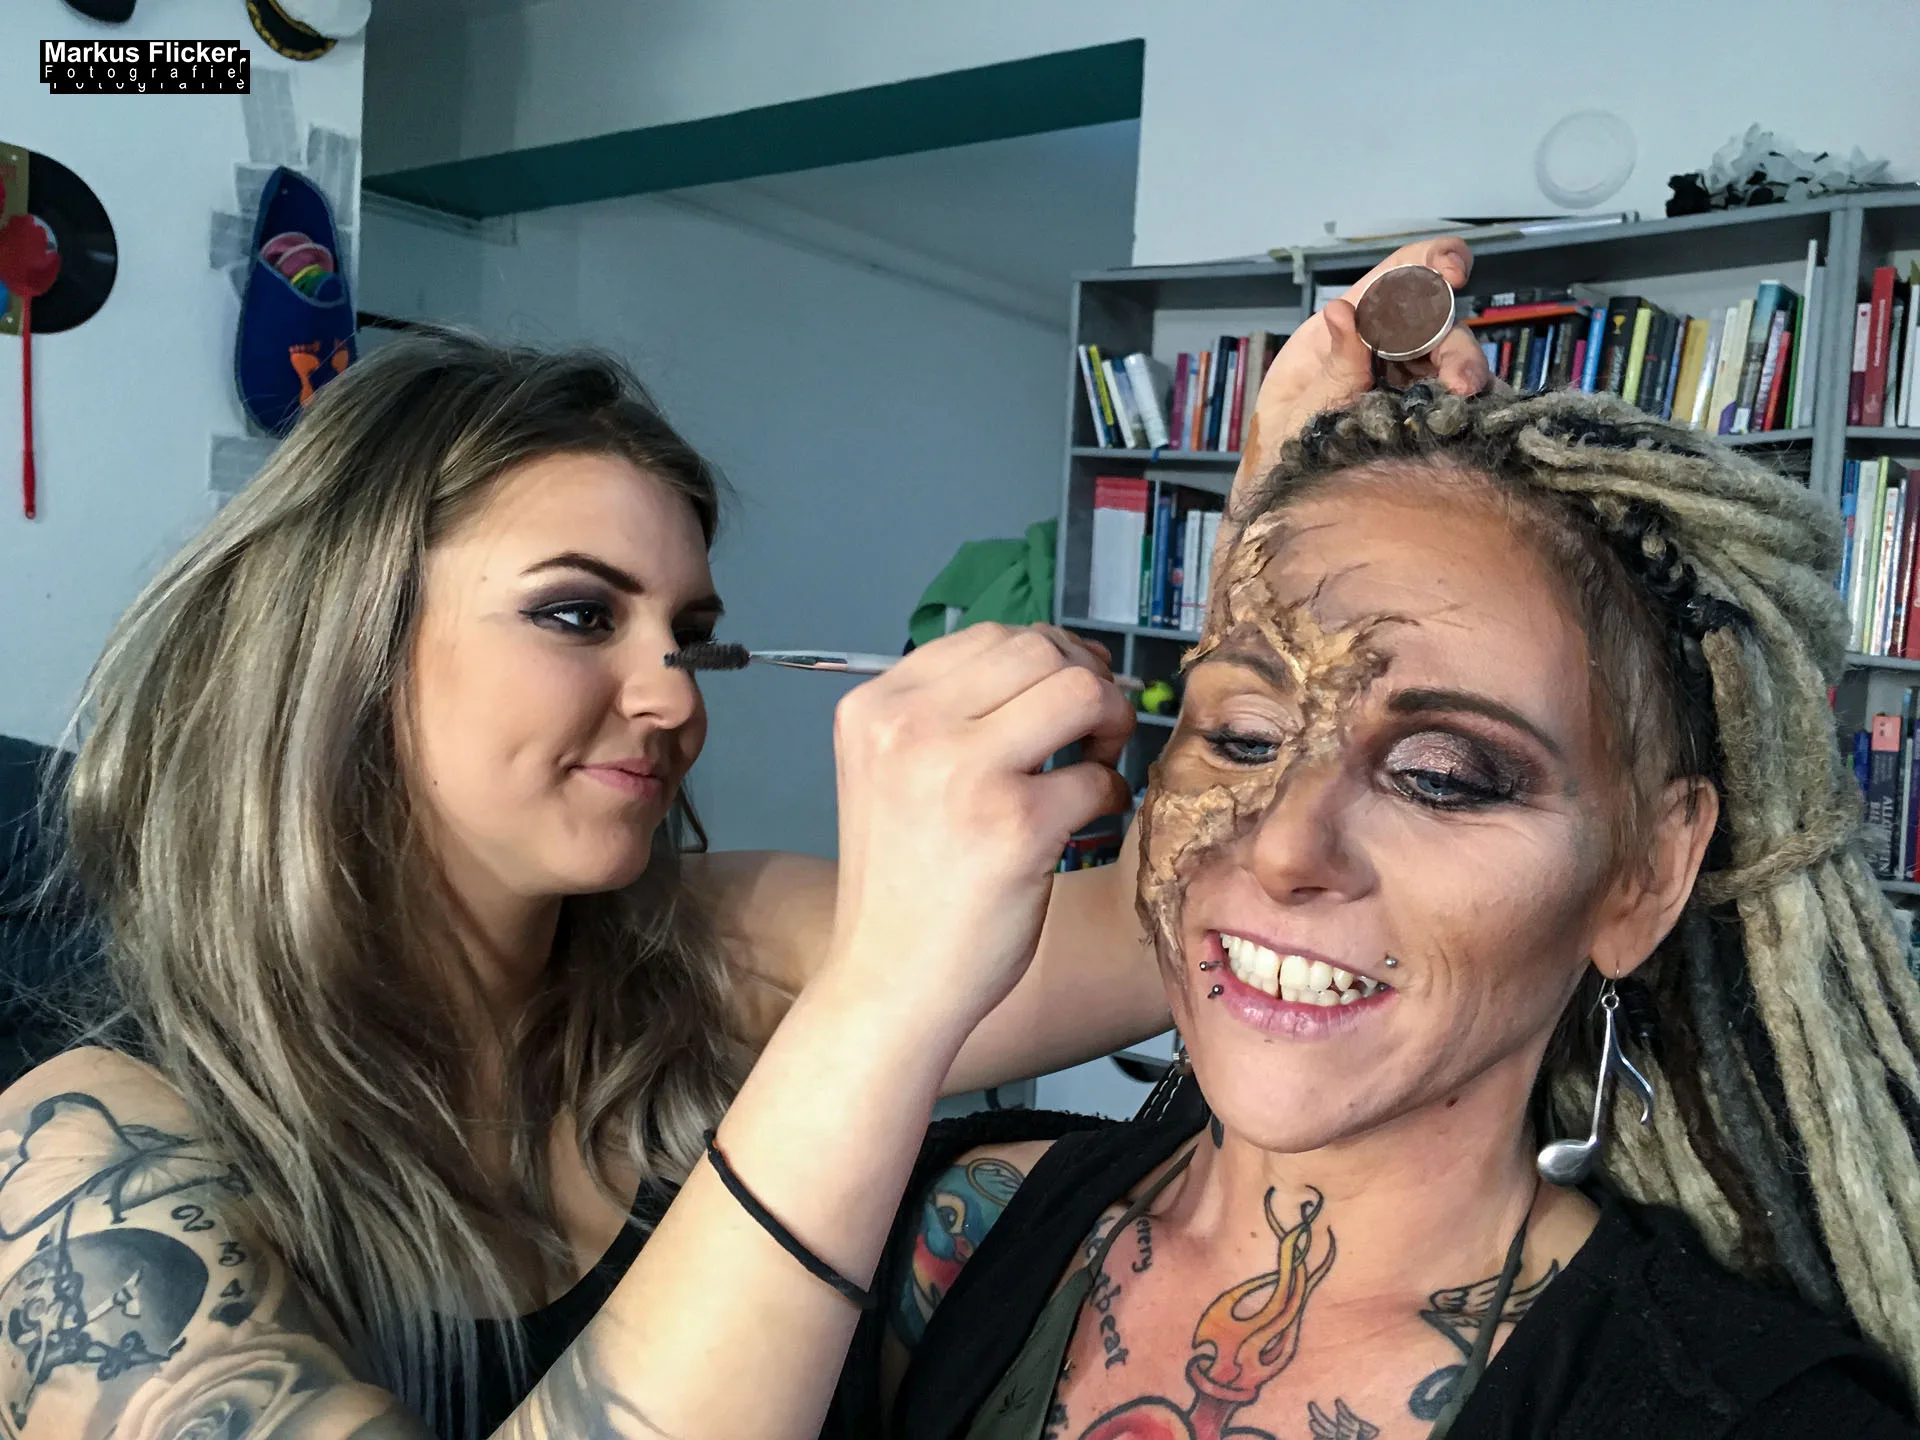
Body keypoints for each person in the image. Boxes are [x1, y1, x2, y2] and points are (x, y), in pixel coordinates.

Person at [0, 240, 1482, 1438]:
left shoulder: (714, 950)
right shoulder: (85, 1163)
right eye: (577, 614)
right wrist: (885, 993)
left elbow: (1166, 938)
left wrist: (1288, 533)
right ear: (344, 644)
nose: (670, 699)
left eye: (690, 636)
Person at [858, 370, 1920, 1437]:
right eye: (1241, 737)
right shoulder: (945, 1232)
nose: (1283, 847)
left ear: (1644, 877)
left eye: (1442, 777)